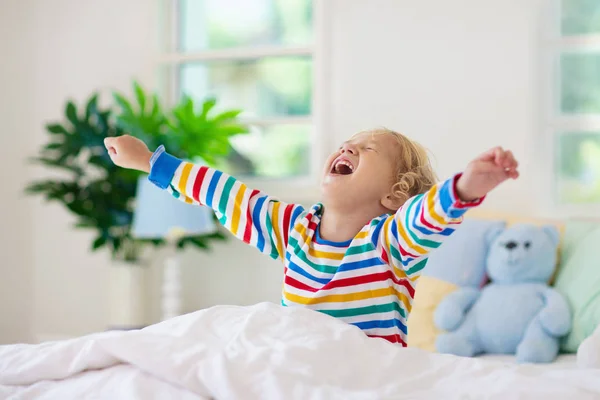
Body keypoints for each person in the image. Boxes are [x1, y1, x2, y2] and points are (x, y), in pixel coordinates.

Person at [104, 128, 519, 346]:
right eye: (346, 144)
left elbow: (429, 215)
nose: (347, 147)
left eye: (367, 149)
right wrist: (149, 163)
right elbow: (226, 194)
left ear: (394, 194)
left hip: (366, 379)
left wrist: (467, 186)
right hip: (297, 363)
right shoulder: (293, 230)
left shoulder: (391, 242)